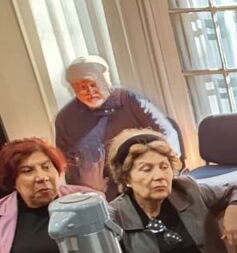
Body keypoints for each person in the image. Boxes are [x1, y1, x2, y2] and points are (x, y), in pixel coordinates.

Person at [107, 131, 237, 253]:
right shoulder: (114, 216)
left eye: (164, 167)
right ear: (126, 178)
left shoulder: (187, 189)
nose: (159, 176)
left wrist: (234, 210)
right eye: (147, 169)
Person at [55, 55, 179, 199]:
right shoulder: (66, 118)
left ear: (106, 80)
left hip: (142, 179)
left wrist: (166, 169)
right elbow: (65, 161)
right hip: (99, 191)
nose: (90, 91)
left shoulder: (131, 100)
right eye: (82, 87)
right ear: (72, 88)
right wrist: (81, 190)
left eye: (94, 84)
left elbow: (166, 133)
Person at [0, 139, 95, 253]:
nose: (42, 177)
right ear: (13, 181)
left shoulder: (88, 200)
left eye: (46, 167)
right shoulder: (2, 214)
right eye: (28, 171)